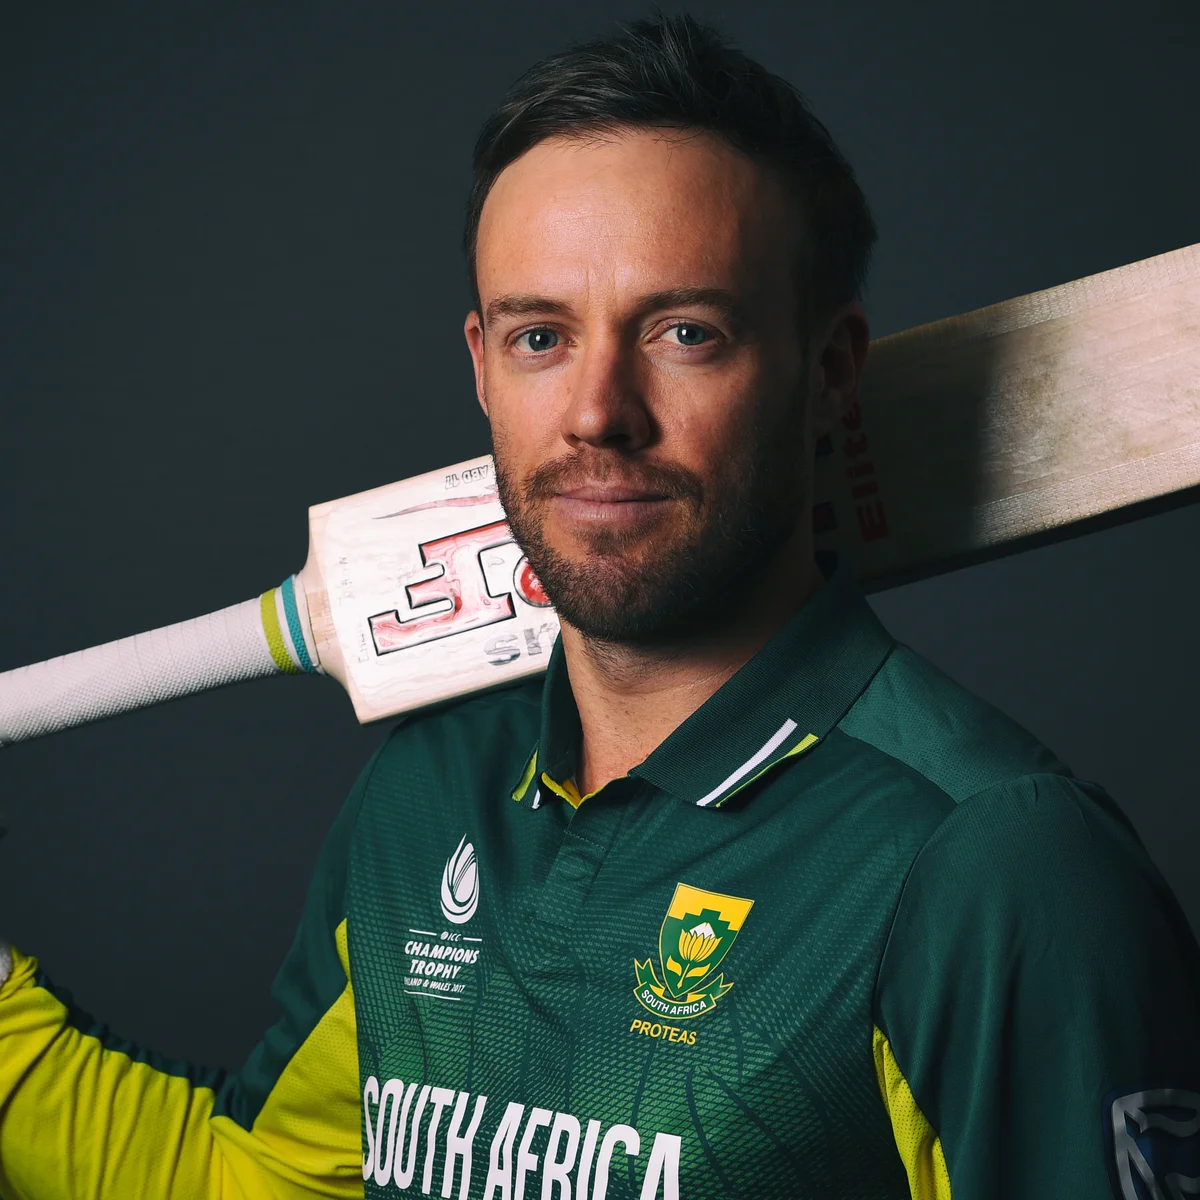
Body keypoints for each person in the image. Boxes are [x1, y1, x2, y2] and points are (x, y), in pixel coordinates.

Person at [1, 14, 1198, 1200]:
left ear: (830, 370)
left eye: (685, 333)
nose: (596, 413)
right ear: (482, 366)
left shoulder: (993, 869)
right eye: (541, 337)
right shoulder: (427, 796)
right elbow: (259, 1181)